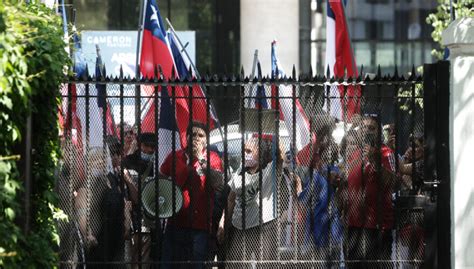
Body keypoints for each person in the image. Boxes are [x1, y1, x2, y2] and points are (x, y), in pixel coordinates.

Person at [160, 121, 224, 269]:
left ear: (206, 140)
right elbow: (160, 179)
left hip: (199, 228)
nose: (196, 138)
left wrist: (200, 159)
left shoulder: (212, 158)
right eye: (193, 134)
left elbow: (217, 183)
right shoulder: (174, 156)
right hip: (174, 224)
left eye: (201, 135)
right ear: (186, 137)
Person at [345, 114, 397, 269]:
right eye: (364, 127)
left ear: (379, 132)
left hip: (377, 227)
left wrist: (374, 159)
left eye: (371, 128)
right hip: (354, 227)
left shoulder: (386, 153)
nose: (367, 131)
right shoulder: (355, 153)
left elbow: (393, 181)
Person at [225, 135, 284, 268]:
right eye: (243, 151)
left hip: (263, 228)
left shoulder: (270, 170)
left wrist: (270, 130)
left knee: (265, 265)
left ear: (260, 152)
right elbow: (230, 199)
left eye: (249, 151)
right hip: (239, 227)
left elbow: (280, 156)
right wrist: (223, 223)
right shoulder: (240, 172)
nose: (244, 154)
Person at [122, 132, 158, 269]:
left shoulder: (157, 163)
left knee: (145, 256)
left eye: (152, 147)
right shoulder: (128, 162)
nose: (149, 150)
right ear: (139, 145)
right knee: (131, 255)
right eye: (146, 146)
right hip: (131, 215)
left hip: (151, 217)